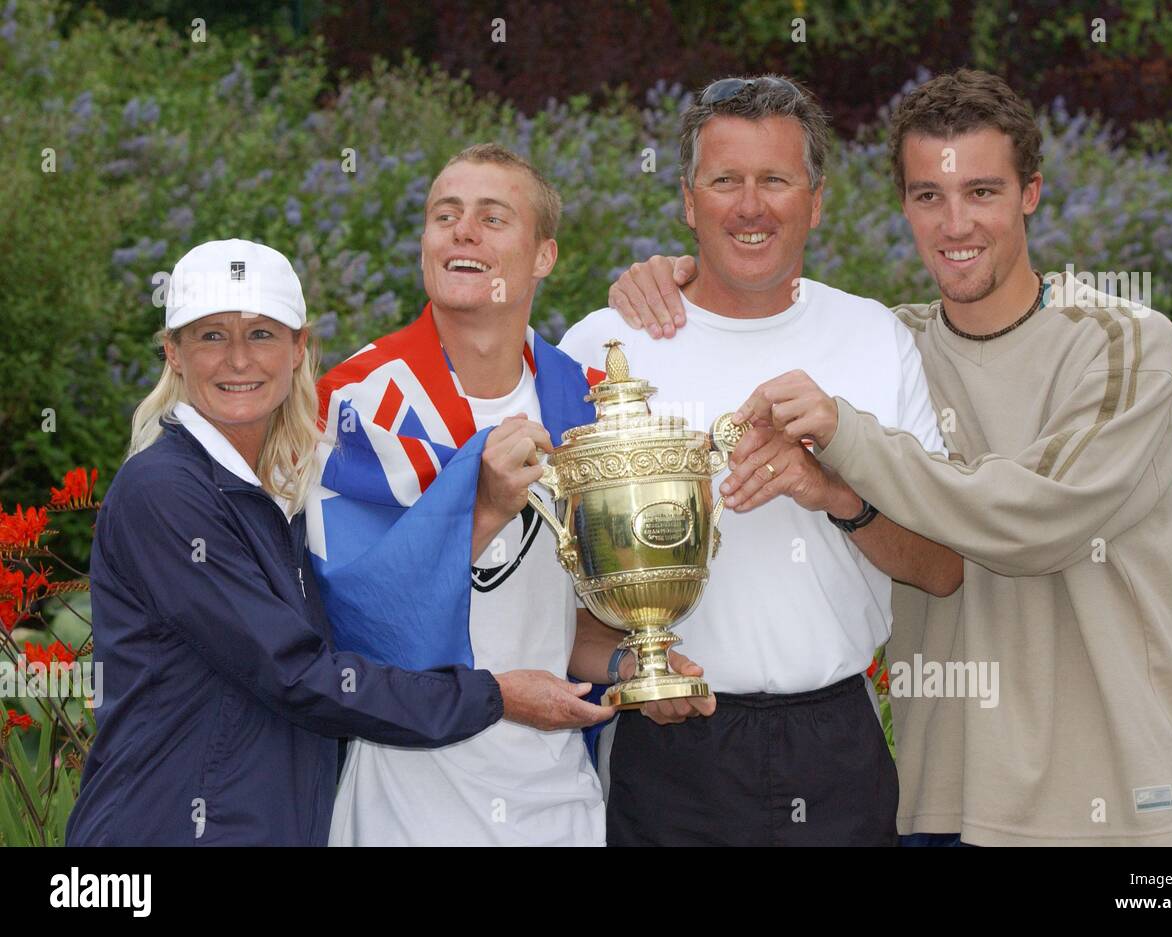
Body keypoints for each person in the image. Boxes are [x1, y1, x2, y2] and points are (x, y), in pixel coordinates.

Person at [610, 68, 1172, 846]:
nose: (955, 222)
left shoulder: (1125, 342)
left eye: (984, 192)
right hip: (945, 803)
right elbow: (762, 311)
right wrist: (675, 279)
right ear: (904, 205)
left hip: (1118, 804)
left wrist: (847, 441)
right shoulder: (889, 345)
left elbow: (1034, 516)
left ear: (1031, 192)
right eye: (929, 194)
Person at [558, 76, 962, 846]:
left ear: (815, 201)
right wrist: (625, 665)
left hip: (836, 743)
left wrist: (832, 490)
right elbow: (548, 591)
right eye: (725, 180)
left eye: (775, 179)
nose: (750, 205)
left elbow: (943, 567)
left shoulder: (875, 337)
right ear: (686, 199)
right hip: (667, 752)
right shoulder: (606, 347)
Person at [309, 144, 709, 847]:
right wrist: (481, 505)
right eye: (445, 216)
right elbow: (355, 625)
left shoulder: (582, 408)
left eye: (493, 218)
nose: (463, 232)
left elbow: (559, 621)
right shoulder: (355, 404)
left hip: (553, 796)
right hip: (406, 795)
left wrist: (635, 664)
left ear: (544, 256)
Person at [65, 239, 508, 846]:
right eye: (211, 336)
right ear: (173, 354)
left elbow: (362, 620)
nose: (239, 360)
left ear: (300, 348)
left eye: (263, 335)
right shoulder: (164, 491)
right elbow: (295, 674)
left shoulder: (276, 494)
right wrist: (493, 697)